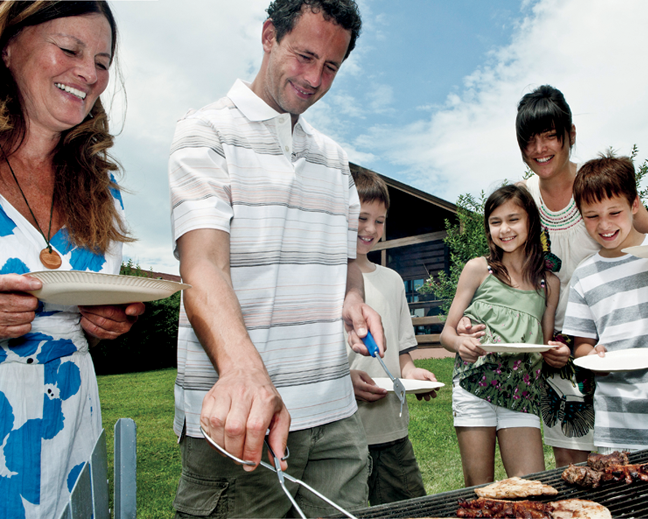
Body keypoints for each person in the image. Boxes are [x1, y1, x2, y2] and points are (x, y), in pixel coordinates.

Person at [168, 1, 385, 517]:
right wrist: (244, 375)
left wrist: (353, 300)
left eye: (330, 66)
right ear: (269, 35)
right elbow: (202, 266)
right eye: (305, 56)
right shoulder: (205, 132)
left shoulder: (334, 160)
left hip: (335, 417)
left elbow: (344, 261)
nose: (314, 78)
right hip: (240, 423)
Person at [0, 1, 144, 516]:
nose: (89, 72)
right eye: (70, 48)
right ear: (9, 47)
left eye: (103, 62)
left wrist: (106, 320)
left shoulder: (102, 190)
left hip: (70, 422)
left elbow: (91, 301)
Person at [565, 152, 648, 452]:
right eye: (592, 216)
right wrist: (593, 355)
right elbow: (582, 346)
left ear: (634, 204)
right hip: (617, 427)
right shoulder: (584, 275)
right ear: (580, 214)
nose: (604, 225)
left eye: (615, 212)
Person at [440, 184, 570, 488]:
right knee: (479, 486)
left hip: (521, 394)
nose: (505, 229)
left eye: (514, 219)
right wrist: (461, 342)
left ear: (531, 222)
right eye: (495, 221)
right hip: (475, 387)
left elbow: (545, 341)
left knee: (530, 487)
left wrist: (557, 353)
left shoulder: (548, 282)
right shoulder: (478, 269)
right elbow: (447, 333)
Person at [347, 168, 436, 505]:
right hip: (343, 431)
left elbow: (402, 350)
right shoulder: (324, 278)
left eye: (379, 221)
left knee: (409, 508)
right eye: (361, 218)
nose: (370, 229)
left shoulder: (393, 280)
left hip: (392, 431)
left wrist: (412, 373)